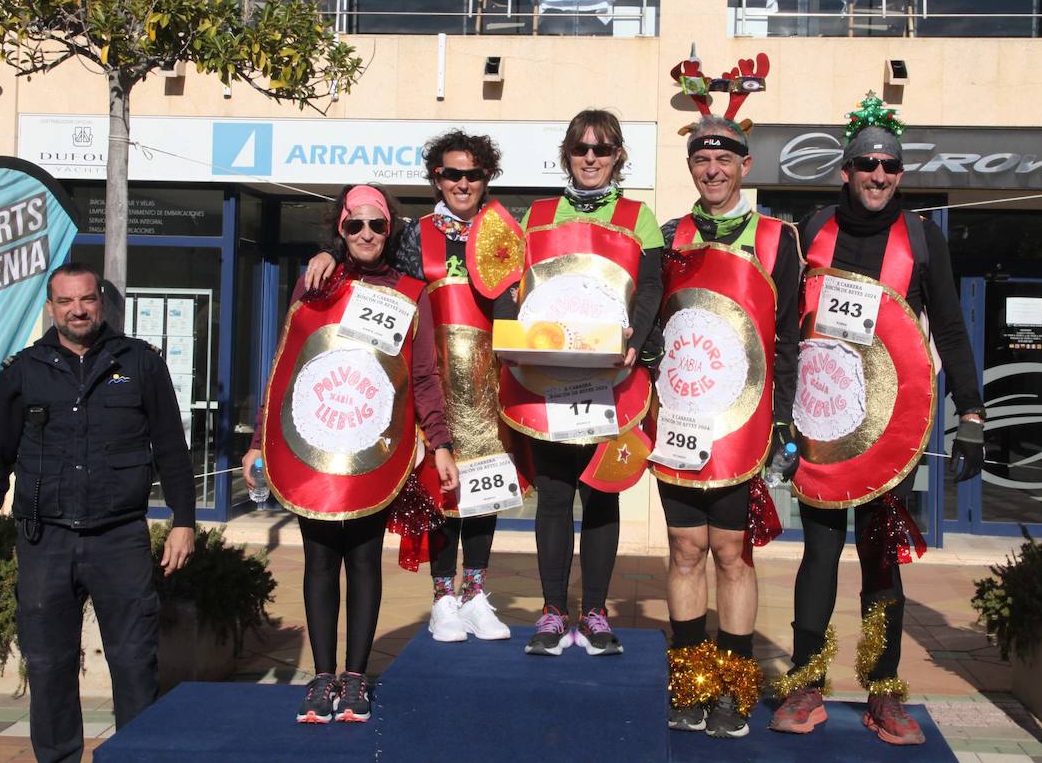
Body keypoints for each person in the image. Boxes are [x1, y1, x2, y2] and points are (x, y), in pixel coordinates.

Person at [767, 93, 985, 745]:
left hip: (892, 432)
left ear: (901, 171)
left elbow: (948, 324)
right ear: (846, 168)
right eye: (867, 162)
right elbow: (782, 326)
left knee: (881, 562)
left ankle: (884, 693)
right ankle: (806, 683)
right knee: (820, 556)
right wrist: (774, 416)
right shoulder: (811, 231)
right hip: (824, 426)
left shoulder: (923, 238)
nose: (879, 174)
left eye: (890, 164)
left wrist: (971, 412)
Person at [0, 262, 196, 763]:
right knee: (48, 666)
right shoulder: (23, 371)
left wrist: (183, 521)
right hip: (46, 542)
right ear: (51, 308)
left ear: (102, 302)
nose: (77, 310)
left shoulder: (140, 364)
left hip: (120, 540)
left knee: (134, 664)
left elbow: (172, 450)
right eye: (66, 301)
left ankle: (136, 756)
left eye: (86, 299)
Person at [242, 183, 457, 724]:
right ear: (339, 229)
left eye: (376, 225)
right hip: (316, 443)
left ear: (391, 230)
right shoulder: (314, 284)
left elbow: (425, 374)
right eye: (354, 225)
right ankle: (321, 678)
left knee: (363, 561)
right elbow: (284, 370)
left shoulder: (411, 291)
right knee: (318, 560)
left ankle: (356, 677)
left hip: (373, 449)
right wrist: (256, 444)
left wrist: (441, 442)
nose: (365, 234)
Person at [303, 132, 523, 643]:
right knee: (440, 494)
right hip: (428, 384)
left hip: (489, 385)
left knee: (485, 491)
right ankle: (443, 597)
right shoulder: (409, 234)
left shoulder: (508, 232)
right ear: (436, 180)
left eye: (472, 174)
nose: (462, 183)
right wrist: (329, 255)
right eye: (451, 174)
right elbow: (374, 279)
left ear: (486, 177)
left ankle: (475, 593)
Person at [496, 109, 664, 657]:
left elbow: (651, 287)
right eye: (581, 149)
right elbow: (511, 285)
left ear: (618, 156)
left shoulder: (640, 216)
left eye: (603, 148)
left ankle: (593, 612)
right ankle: (550, 613)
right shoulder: (537, 214)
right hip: (548, 379)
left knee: (600, 494)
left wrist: (635, 337)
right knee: (553, 496)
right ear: (567, 154)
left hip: (609, 380)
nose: (591, 158)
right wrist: (509, 328)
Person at [653, 114, 801, 739]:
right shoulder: (668, 234)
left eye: (723, 161)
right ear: (690, 167)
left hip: (743, 423)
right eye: (699, 161)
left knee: (731, 553)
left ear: (744, 165)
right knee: (687, 550)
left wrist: (785, 418)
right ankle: (689, 685)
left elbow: (789, 334)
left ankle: (734, 690)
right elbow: (650, 322)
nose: (711, 171)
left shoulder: (776, 238)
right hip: (681, 415)